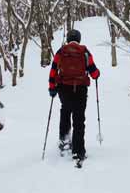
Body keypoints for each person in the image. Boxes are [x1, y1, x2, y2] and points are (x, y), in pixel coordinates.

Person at [48, 29, 100, 161]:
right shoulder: (85, 52)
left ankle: (65, 142)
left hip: (64, 89)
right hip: (81, 90)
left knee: (65, 112)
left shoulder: (61, 51)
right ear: (79, 39)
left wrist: (52, 88)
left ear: (68, 38)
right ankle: (78, 151)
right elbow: (93, 72)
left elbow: (53, 70)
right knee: (79, 119)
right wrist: (97, 74)